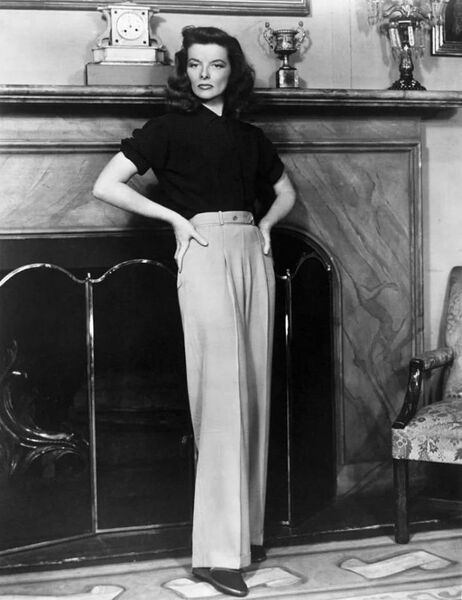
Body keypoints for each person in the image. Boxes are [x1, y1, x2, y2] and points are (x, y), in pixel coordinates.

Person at [93, 25, 296, 598]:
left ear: (235, 73)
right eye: (196, 65)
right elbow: (106, 185)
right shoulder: (166, 130)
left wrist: (265, 225)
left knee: (252, 392)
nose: (206, 74)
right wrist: (176, 221)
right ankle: (215, 554)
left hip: (252, 254)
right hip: (204, 250)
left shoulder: (250, 137)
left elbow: (286, 192)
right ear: (185, 72)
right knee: (220, 399)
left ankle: (246, 534)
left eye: (218, 65)